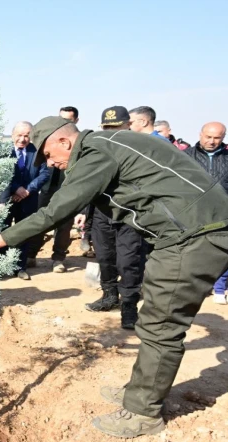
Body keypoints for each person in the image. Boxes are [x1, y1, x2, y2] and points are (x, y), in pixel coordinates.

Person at [0, 116, 228, 438]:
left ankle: (143, 412)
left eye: (47, 154)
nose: (50, 163)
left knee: (161, 324)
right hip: (187, 233)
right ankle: (140, 390)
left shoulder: (96, 152)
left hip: (196, 236)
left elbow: (56, 210)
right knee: (155, 317)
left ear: (64, 142)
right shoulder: (109, 144)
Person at [75, 106, 144, 329]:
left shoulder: (141, 151)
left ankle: (129, 307)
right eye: (106, 127)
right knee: (105, 258)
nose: (111, 132)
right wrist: (83, 212)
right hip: (102, 214)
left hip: (129, 216)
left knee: (128, 263)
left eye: (117, 127)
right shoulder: (98, 151)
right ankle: (109, 297)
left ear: (128, 126)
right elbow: (88, 184)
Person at [27, 106, 79, 272]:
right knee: (40, 219)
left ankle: (58, 258)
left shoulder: (77, 146)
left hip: (68, 189)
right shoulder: (48, 140)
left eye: (67, 121)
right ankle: (31, 255)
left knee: (64, 225)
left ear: (75, 122)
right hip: (46, 188)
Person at [0, 121, 50, 280]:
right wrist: (15, 188)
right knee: (3, 231)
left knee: (25, 232)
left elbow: (45, 174)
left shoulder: (37, 152)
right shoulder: (3, 152)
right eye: (19, 135)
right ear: (13, 135)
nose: (22, 139)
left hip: (29, 199)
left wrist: (27, 190)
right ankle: (1, 267)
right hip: (6, 199)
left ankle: (20, 267)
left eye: (26, 135)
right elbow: (0, 174)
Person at [184, 122, 228, 201]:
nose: (211, 141)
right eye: (208, 137)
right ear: (200, 135)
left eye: (216, 138)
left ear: (223, 137)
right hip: (193, 205)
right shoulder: (185, 155)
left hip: (223, 206)